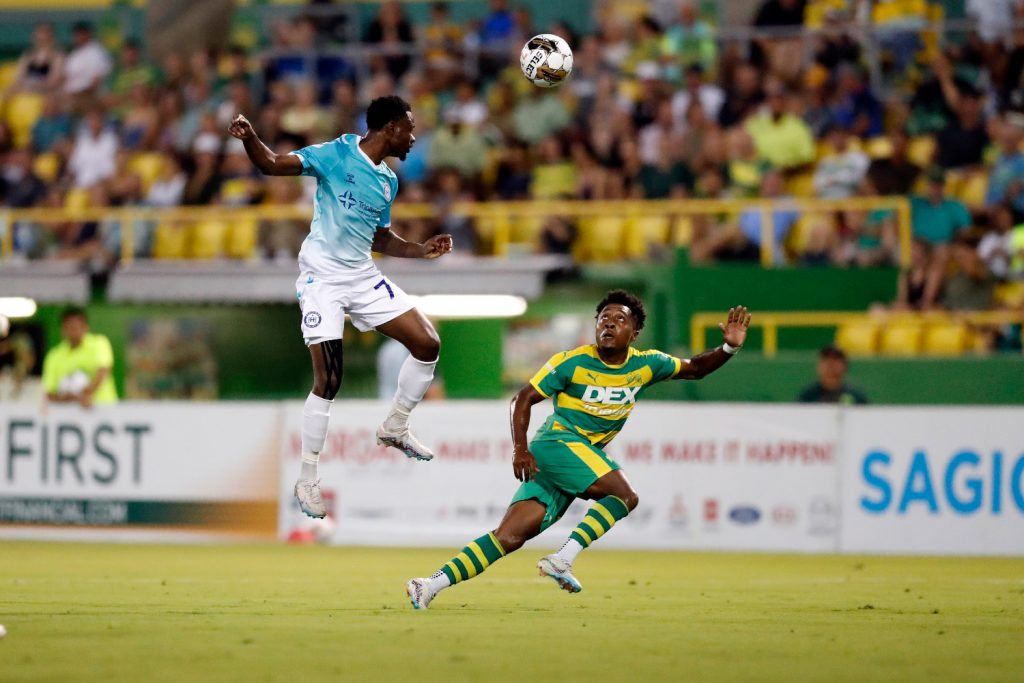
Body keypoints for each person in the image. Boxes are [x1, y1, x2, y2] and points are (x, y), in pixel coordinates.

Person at [405, 291, 751, 609]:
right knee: (625, 496)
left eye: (620, 319)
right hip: (557, 442)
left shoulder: (647, 364)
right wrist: (520, 449)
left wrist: (729, 349)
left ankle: (429, 584)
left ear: (635, 332)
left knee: (509, 536)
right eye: (603, 318)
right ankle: (563, 558)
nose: (609, 323)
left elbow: (695, 369)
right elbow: (522, 398)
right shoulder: (570, 362)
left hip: (572, 457)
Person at [229, 96, 453, 519]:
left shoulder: (388, 181)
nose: (413, 136)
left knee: (427, 343)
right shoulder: (335, 154)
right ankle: (308, 477)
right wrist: (251, 138)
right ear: (389, 127)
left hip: (362, 276)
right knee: (329, 378)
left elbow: (380, 238)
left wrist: (420, 250)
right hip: (322, 279)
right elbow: (273, 164)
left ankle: (396, 426)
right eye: (409, 127)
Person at [42, 307, 118, 407]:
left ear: (86, 327)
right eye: (70, 327)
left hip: (104, 410)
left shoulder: (99, 343)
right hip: (68, 416)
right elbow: (49, 391)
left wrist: (87, 393)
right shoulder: (54, 356)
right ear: (63, 329)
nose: (74, 332)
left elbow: (103, 371)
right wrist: (67, 398)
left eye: (77, 327)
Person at [798, 345, 867, 405]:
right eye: (826, 359)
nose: (830, 364)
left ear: (845, 365)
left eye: (835, 359)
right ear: (819, 365)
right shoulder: (808, 397)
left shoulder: (856, 397)